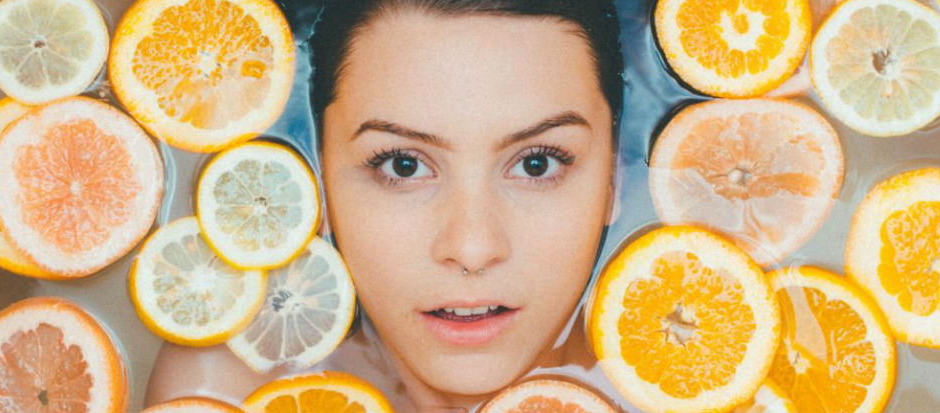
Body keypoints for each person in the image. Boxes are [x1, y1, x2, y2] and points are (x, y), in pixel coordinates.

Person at [145, 0, 624, 411]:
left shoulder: (691, 381)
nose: (473, 248)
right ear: (317, 183)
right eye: (403, 166)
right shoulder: (231, 389)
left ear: (614, 181)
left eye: (537, 164)